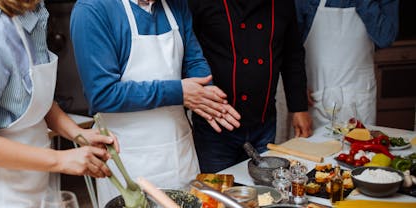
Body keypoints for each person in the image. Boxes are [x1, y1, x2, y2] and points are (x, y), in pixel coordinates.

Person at [0, 0, 119, 207]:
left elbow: (35, 99)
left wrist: (79, 134)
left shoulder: (31, 13)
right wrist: (61, 160)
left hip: (25, 182)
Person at [70, 0, 241, 206]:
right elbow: (102, 94)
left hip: (181, 154)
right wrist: (178, 92)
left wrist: (207, 96)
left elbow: (193, 60)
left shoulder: (176, 5)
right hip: (129, 160)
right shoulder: (92, 10)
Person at [188, 0, 313, 173]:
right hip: (215, 128)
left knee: (263, 194)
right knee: (217, 195)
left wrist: (299, 107)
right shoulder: (199, 3)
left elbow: (292, 54)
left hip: (264, 123)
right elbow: (187, 55)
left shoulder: (282, 3)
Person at [295, 0, 398, 128]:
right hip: (317, 96)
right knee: (316, 146)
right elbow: (290, 44)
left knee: (360, 145)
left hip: (360, 99)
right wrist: (296, 87)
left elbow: (385, 38)